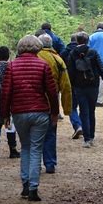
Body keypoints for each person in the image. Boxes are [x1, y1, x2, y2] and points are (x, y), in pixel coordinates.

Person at [0, 35, 59, 202]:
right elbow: (52, 92)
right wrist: (54, 112)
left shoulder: (12, 66)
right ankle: (33, 187)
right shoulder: (43, 65)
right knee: (36, 149)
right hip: (40, 112)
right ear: (37, 48)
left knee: (25, 147)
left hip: (19, 112)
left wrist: (5, 114)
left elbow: (6, 92)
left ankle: (25, 184)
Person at [68, 31, 103, 148]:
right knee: (91, 111)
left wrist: (71, 85)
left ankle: (86, 139)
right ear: (87, 41)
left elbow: (70, 71)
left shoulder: (72, 53)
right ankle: (91, 137)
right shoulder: (93, 52)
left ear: (77, 41)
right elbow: (101, 68)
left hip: (79, 86)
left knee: (83, 111)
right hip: (93, 85)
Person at [37, 34, 72, 174]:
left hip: (33, 101)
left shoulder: (32, 58)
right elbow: (66, 86)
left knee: (34, 135)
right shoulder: (58, 60)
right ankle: (50, 163)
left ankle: (35, 163)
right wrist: (67, 108)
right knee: (50, 133)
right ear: (51, 44)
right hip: (51, 101)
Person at [0, 46, 20, 160]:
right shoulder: (11, 66)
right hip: (10, 98)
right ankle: (12, 149)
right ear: (8, 56)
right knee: (10, 124)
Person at [63, 34, 83, 139]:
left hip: (69, 83)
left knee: (72, 107)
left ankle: (77, 125)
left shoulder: (64, 52)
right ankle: (84, 127)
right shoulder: (86, 51)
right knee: (84, 107)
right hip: (83, 83)